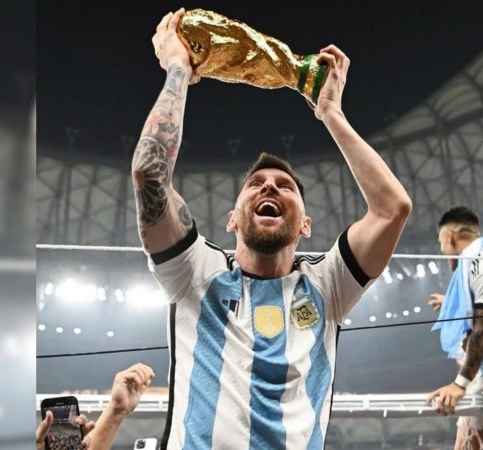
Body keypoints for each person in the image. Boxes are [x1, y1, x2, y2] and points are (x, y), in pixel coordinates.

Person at [136, 8, 411, 449]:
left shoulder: (327, 283)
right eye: (256, 185)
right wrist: (178, 69)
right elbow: (150, 174)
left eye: (285, 186)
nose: (270, 186)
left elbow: (392, 208)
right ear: (231, 218)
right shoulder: (194, 271)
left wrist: (331, 115)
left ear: (305, 224)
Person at [425, 206, 483, 450]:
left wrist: (459, 384)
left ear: (450, 236)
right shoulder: (472, 265)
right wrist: (448, 302)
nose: (441, 250)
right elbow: (482, 305)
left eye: (440, 241)